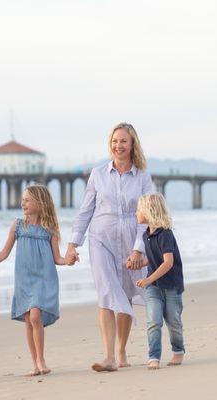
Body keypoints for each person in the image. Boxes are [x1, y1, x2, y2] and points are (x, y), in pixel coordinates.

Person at [64, 122, 153, 372]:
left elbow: (148, 216)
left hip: (130, 241)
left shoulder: (143, 176)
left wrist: (138, 248)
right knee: (106, 292)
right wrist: (73, 245)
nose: (118, 145)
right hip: (100, 239)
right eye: (115, 141)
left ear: (132, 144)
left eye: (123, 141)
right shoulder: (98, 174)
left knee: (124, 293)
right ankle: (109, 357)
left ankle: (122, 351)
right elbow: (85, 211)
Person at [0, 185, 71, 376]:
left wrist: (68, 260)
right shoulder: (18, 226)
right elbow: (3, 253)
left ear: (40, 203)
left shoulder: (50, 230)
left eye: (27, 200)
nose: (22, 203)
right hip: (24, 279)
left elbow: (57, 258)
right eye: (23, 199)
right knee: (28, 320)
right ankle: (35, 364)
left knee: (35, 316)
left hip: (44, 278)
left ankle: (41, 360)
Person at [133, 193, 185, 370]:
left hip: (171, 285)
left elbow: (168, 262)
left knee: (174, 321)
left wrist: (148, 279)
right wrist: (141, 262)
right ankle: (153, 356)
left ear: (149, 211)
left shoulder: (165, 234)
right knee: (154, 321)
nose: (136, 213)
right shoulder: (145, 235)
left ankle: (178, 351)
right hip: (154, 287)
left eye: (139, 209)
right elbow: (153, 257)